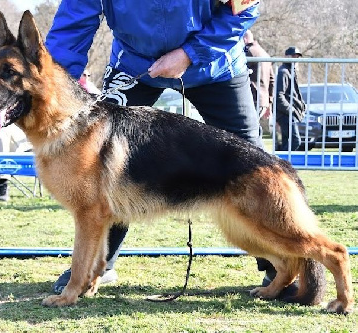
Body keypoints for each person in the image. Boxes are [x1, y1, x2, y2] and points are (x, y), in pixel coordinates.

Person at [45, 0, 297, 299]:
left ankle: (278, 263)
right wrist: (56, 81)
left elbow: (245, 9)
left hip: (216, 63)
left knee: (251, 161)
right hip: (136, 65)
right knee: (103, 160)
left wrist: (190, 53)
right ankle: (95, 267)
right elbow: (73, 24)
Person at [275, 46, 306, 151]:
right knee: (295, 141)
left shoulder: (290, 71)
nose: (295, 59)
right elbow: (279, 95)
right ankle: (283, 165)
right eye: (293, 56)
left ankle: (282, 165)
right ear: (286, 56)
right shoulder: (283, 72)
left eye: (297, 57)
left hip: (287, 113)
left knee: (287, 142)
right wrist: (291, 110)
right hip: (285, 114)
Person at [243, 30, 274, 120]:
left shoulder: (248, 52)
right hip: (263, 100)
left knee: (247, 129)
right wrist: (269, 103)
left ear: (244, 39)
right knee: (254, 127)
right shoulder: (264, 53)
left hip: (252, 97)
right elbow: (272, 80)